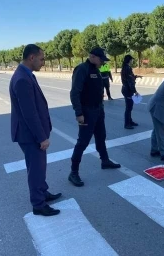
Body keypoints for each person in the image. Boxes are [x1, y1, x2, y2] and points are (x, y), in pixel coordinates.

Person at [9, 44, 61, 216]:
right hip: (30, 134)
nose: (43, 62)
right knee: (36, 169)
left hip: (30, 133)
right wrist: (41, 137)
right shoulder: (22, 79)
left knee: (39, 167)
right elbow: (29, 113)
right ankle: (38, 204)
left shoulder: (25, 74)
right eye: (41, 59)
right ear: (32, 58)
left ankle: (42, 192)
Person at [69, 47, 121, 187]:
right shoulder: (82, 69)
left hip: (98, 110)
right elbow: (74, 92)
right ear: (92, 57)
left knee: (101, 136)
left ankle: (105, 160)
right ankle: (73, 172)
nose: (103, 62)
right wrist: (79, 113)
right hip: (86, 112)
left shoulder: (96, 70)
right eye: (101, 59)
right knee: (83, 142)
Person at [121, 54, 141, 129]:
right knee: (128, 108)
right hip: (128, 90)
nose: (132, 61)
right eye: (131, 59)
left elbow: (128, 78)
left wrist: (136, 76)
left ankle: (130, 121)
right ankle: (127, 124)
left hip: (126, 89)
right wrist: (135, 91)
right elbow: (129, 81)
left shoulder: (125, 67)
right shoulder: (127, 68)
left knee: (129, 107)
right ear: (129, 60)